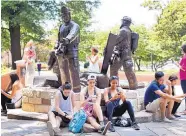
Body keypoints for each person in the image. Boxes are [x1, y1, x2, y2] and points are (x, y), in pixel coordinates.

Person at [55, 6, 80, 92]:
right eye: (63, 16)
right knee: (63, 70)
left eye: (66, 15)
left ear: (69, 15)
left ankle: (76, 89)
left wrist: (67, 39)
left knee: (73, 70)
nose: (64, 17)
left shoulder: (75, 25)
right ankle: (65, 87)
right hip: (62, 51)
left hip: (72, 51)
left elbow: (72, 34)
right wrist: (57, 46)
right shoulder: (61, 26)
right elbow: (58, 37)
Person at [110, 16, 138, 90]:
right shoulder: (129, 31)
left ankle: (114, 86)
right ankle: (133, 86)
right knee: (129, 71)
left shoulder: (122, 30)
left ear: (124, 22)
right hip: (127, 54)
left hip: (120, 54)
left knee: (113, 70)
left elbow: (116, 40)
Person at [179, 44, 186, 113]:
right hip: (183, 77)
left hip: (184, 78)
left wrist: (177, 65)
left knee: (185, 93)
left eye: (182, 49)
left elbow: (184, 68)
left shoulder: (185, 57)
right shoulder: (183, 56)